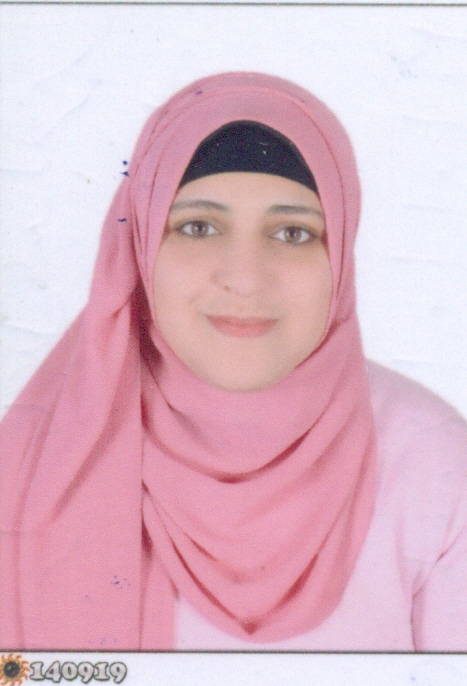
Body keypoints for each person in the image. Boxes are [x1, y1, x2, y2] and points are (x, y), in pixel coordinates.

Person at [0, 72, 466, 652]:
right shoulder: (32, 468)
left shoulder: (435, 464)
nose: (245, 279)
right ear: (140, 243)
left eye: (292, 233)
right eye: (198, 227)